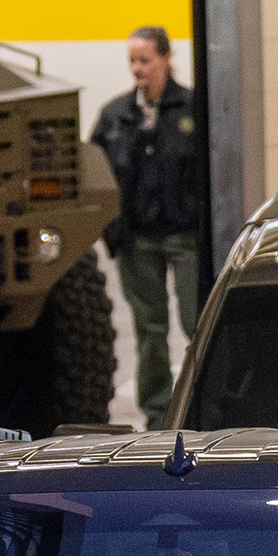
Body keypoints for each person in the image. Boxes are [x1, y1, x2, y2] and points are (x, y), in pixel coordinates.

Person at [90, 27, 204, 426]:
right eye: (132, 61)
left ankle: (203, 406)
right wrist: (112, 233)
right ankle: (157, 411)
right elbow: (97, 177)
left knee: (198, 324)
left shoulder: (194, 108)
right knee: (149, 330)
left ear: (166, 59)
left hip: (186, 238)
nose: (138, 68)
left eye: (145, 60)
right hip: (138, 241)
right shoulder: (115, 116)